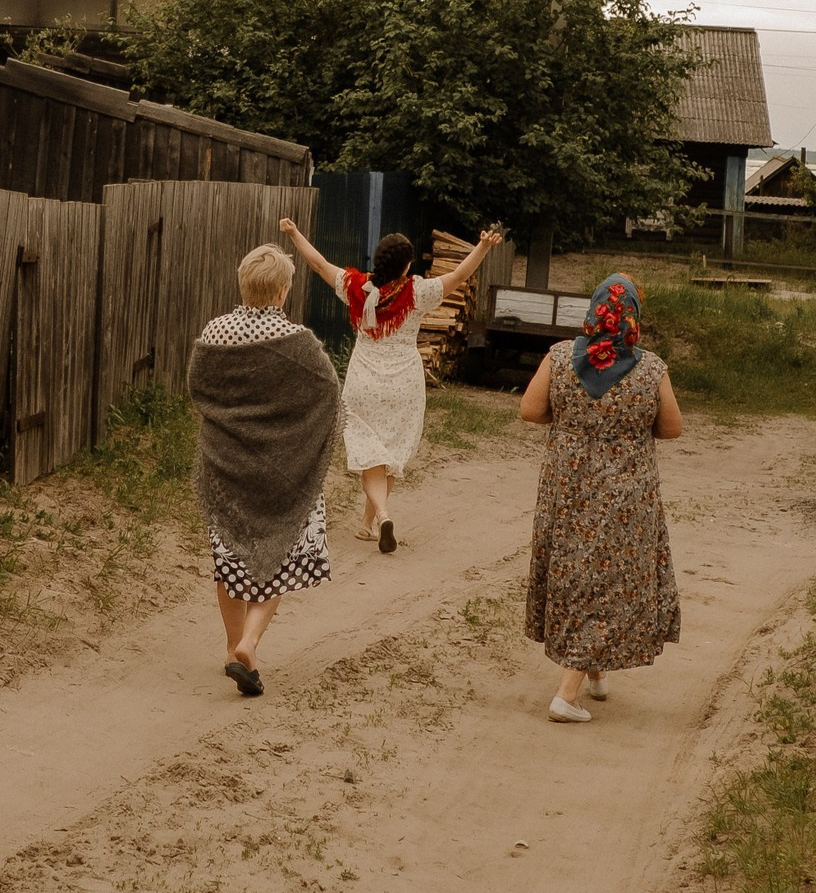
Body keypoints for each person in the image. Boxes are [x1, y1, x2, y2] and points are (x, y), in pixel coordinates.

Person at [279, 217, 505, 552]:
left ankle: (374, 519)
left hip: (363, 379)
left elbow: (318, 263)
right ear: (407, 265)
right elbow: (459, 276)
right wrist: (483, 246)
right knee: (391, 451)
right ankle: (376, 518)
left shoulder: (355, 287)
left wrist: (295, 233)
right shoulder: (417, 292)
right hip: (404, 382)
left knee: (371, 452)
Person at [519, 271, 684, 723]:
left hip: (567, 488)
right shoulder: (650, 368)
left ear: (592, 312)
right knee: (611, 581)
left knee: (577, 574)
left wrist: (573, 419)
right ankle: (566, 694)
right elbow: (671, 428)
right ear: (632, 316)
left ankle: (595, 671)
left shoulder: (558, 357)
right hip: (627, 493)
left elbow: (530, 410)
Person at [188, 241, 343, 697]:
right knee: (277, 556)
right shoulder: (296, 341)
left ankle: (231, 646)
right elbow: (327, 394)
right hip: (284, 472)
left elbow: (199, 391)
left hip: (225, 467)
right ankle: (250, 644)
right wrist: (293, 436)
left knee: (230, 559)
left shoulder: (214, 332)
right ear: (281, 291)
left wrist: (230, 426)